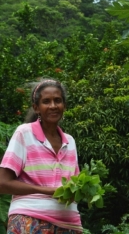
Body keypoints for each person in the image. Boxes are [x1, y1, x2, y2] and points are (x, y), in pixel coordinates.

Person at [0, 79, 83, 233]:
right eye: (46, 101)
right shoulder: (24, 133)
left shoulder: (70, 141)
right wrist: (49, 191)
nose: (53, 106)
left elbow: (73, 186)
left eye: (57, 100)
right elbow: (3, 183)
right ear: (36, 108)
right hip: (30, 220)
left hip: (69, 224)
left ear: (64, 105)